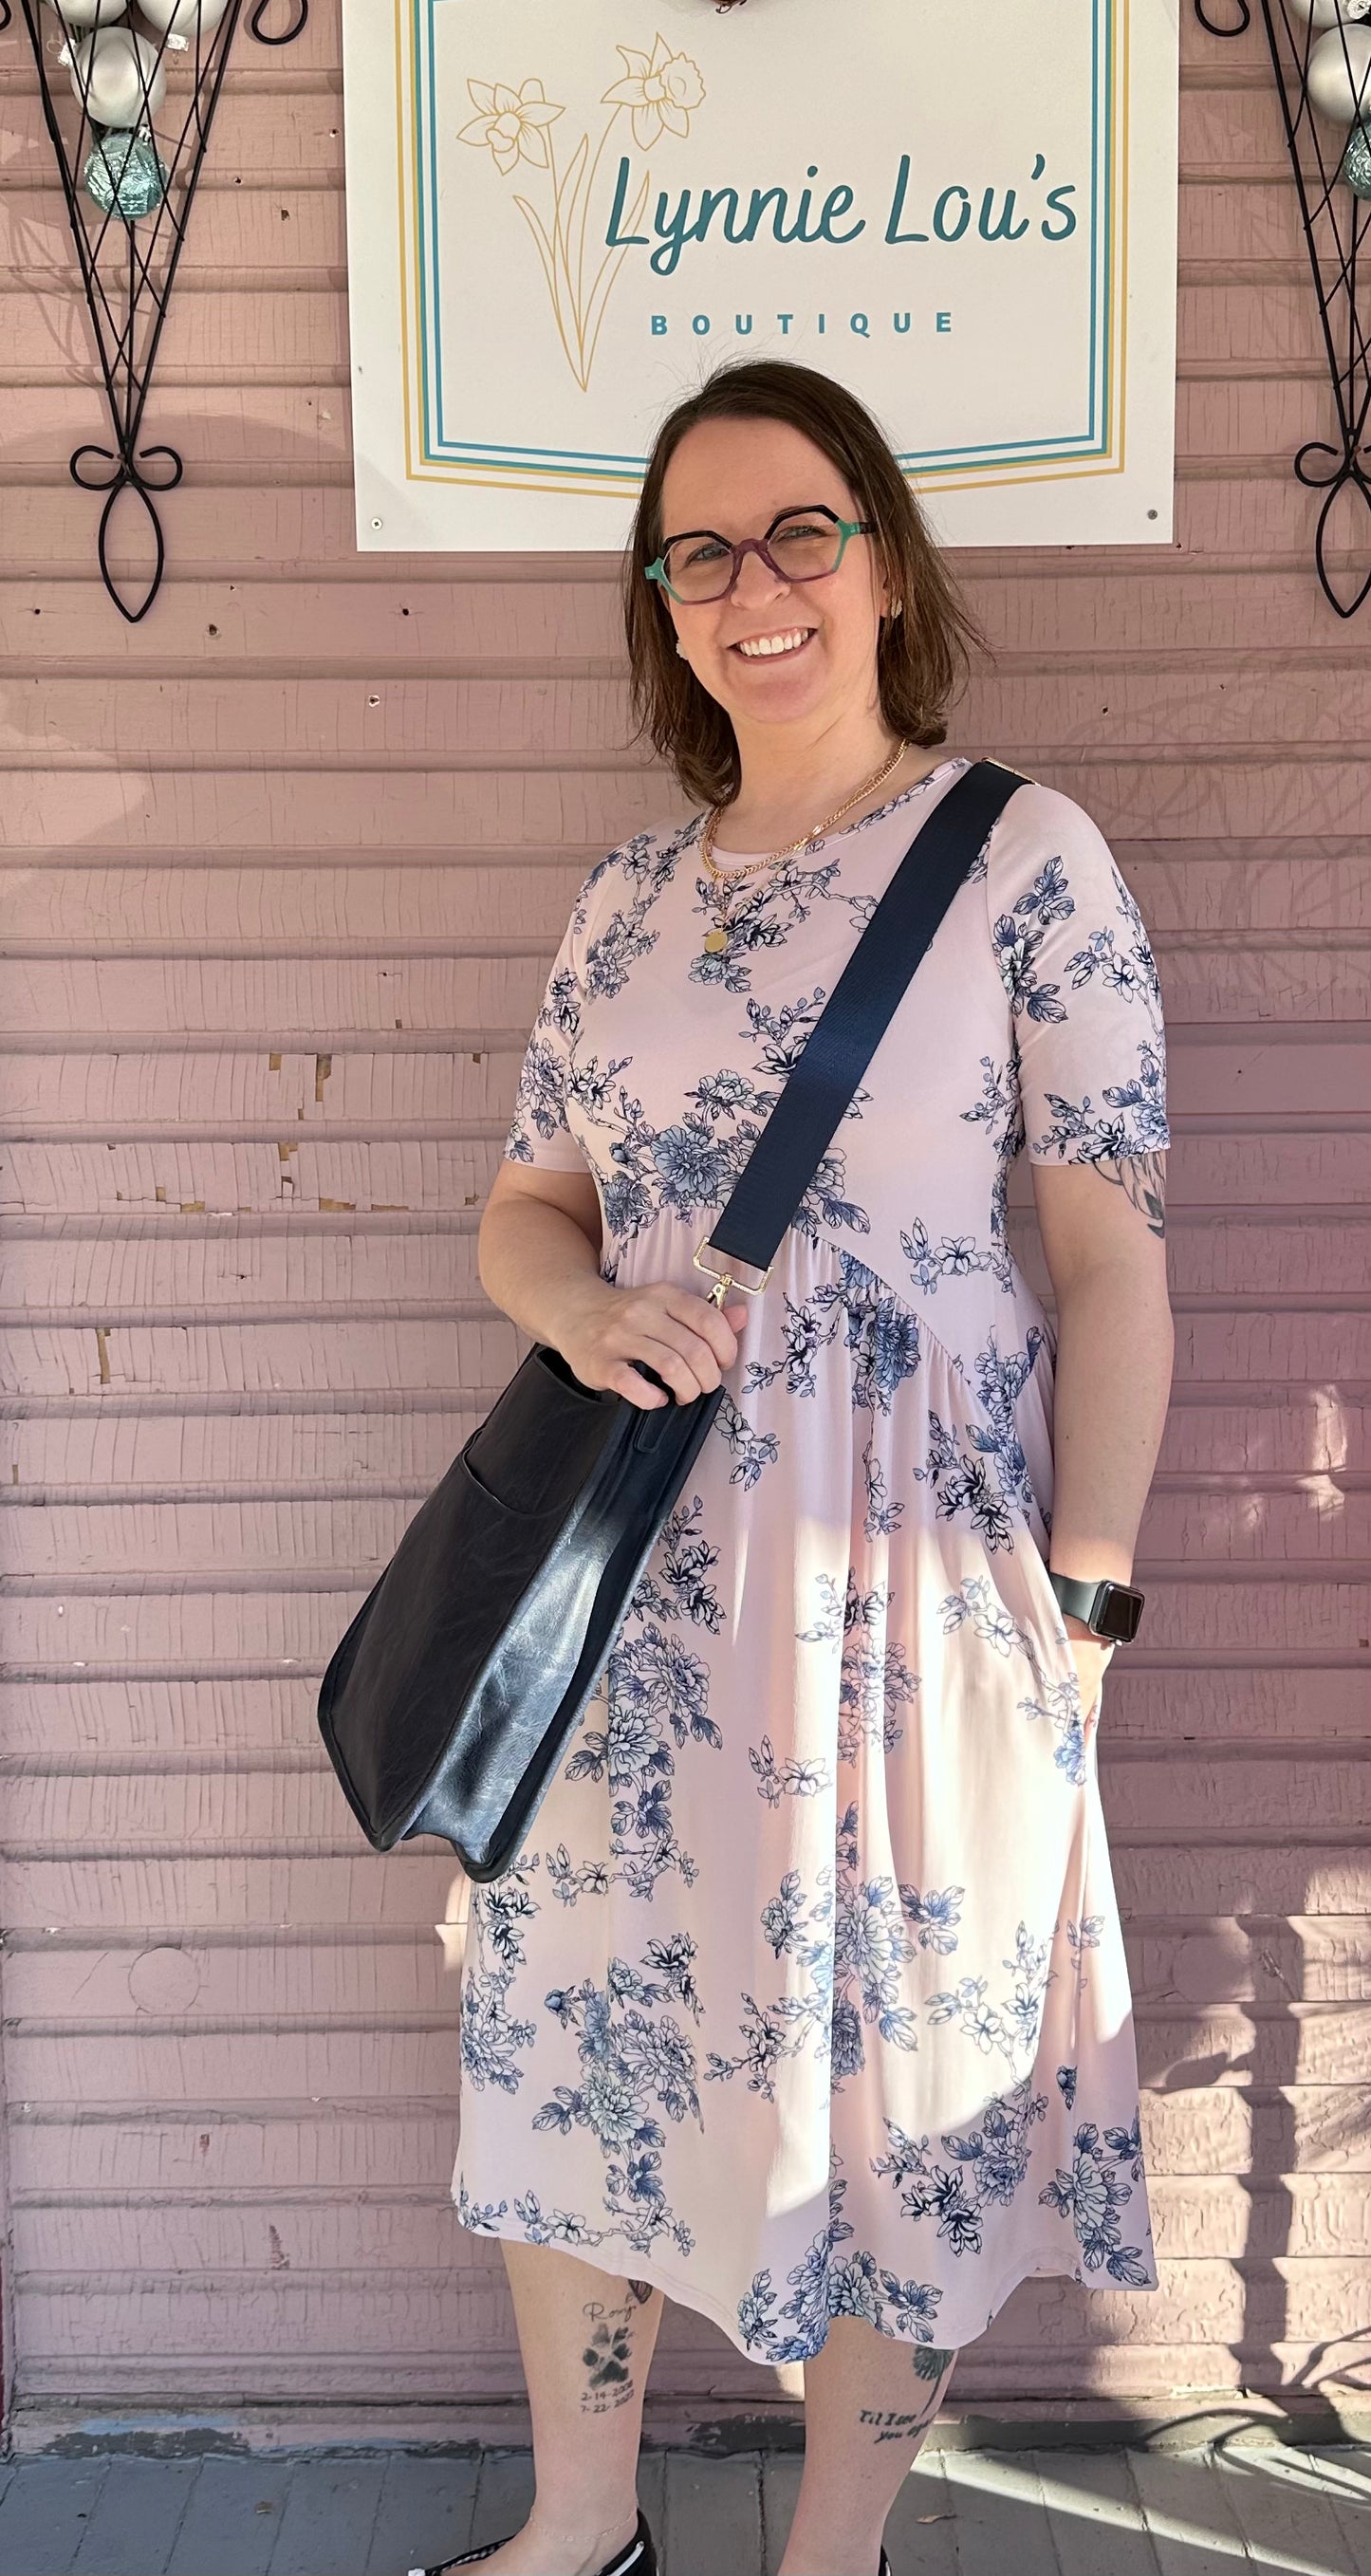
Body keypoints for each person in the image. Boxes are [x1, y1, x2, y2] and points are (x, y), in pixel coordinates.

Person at [418, 359, 1174, 2576]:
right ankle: (582, 2528)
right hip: (626, 1593)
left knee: (901, 2088)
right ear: (661, 606)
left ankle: (821, 2559)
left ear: (885, 560)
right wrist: (576, 1307)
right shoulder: (625, 902)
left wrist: (1094, 1607)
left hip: (925, 1607)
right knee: (565, 2028)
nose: (754, 585)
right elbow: (523, 1201)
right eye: (700, 551)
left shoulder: (1028, 856)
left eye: (799, 532)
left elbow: (1114, 1264)